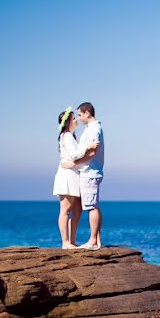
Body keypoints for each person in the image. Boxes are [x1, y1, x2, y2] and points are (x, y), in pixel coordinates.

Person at [61, 102, 104, 250]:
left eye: (79, 115)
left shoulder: (93, 129)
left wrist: (74, 164)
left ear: (87, 113)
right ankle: (96, 240)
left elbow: (92, 153)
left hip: (90, 171)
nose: (78, 118)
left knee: (92, 207)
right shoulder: (90, 129)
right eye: (76, 116)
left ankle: (93, 241)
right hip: (89, 171)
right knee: (93, 206)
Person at [54, 107, 98, 249]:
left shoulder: (70, 136)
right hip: (67, 176)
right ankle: (65, 242)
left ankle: (72, 241)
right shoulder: (66, 135)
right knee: (65, 210)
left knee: (77, 209)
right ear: (67, 123)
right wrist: (88, 146)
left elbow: (74, 154)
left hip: (74, 175)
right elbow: (74, 155)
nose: (76, 119)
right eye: (74, 118)